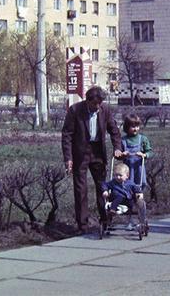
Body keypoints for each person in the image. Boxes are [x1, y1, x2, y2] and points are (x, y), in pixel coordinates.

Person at [62, 86, 122, 233]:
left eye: (99, 103)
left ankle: (105, 220)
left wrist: (117, 147)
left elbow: (114, 130)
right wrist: (68, 158)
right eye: (94, 104)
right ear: (87, 100)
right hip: (80, 153)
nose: (97, 107)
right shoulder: (75, 110)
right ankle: (83, 225)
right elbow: (67, 135)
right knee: (80, 189)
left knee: (103, 187)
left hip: (98, 152)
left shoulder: (105, 109)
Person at [120, 113, 153, 188]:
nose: (136, 129)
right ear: (127, 127)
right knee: (127, 184)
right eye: (133, 127)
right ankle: (128, 198)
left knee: (141, 183)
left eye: (137, 126)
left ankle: (139, 197)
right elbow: (118, 154)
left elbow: (150, 152)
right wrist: (123, 154)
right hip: (127, 168)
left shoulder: (143, 139)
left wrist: (144, 155)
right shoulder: (123, 140)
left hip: (139, 167)